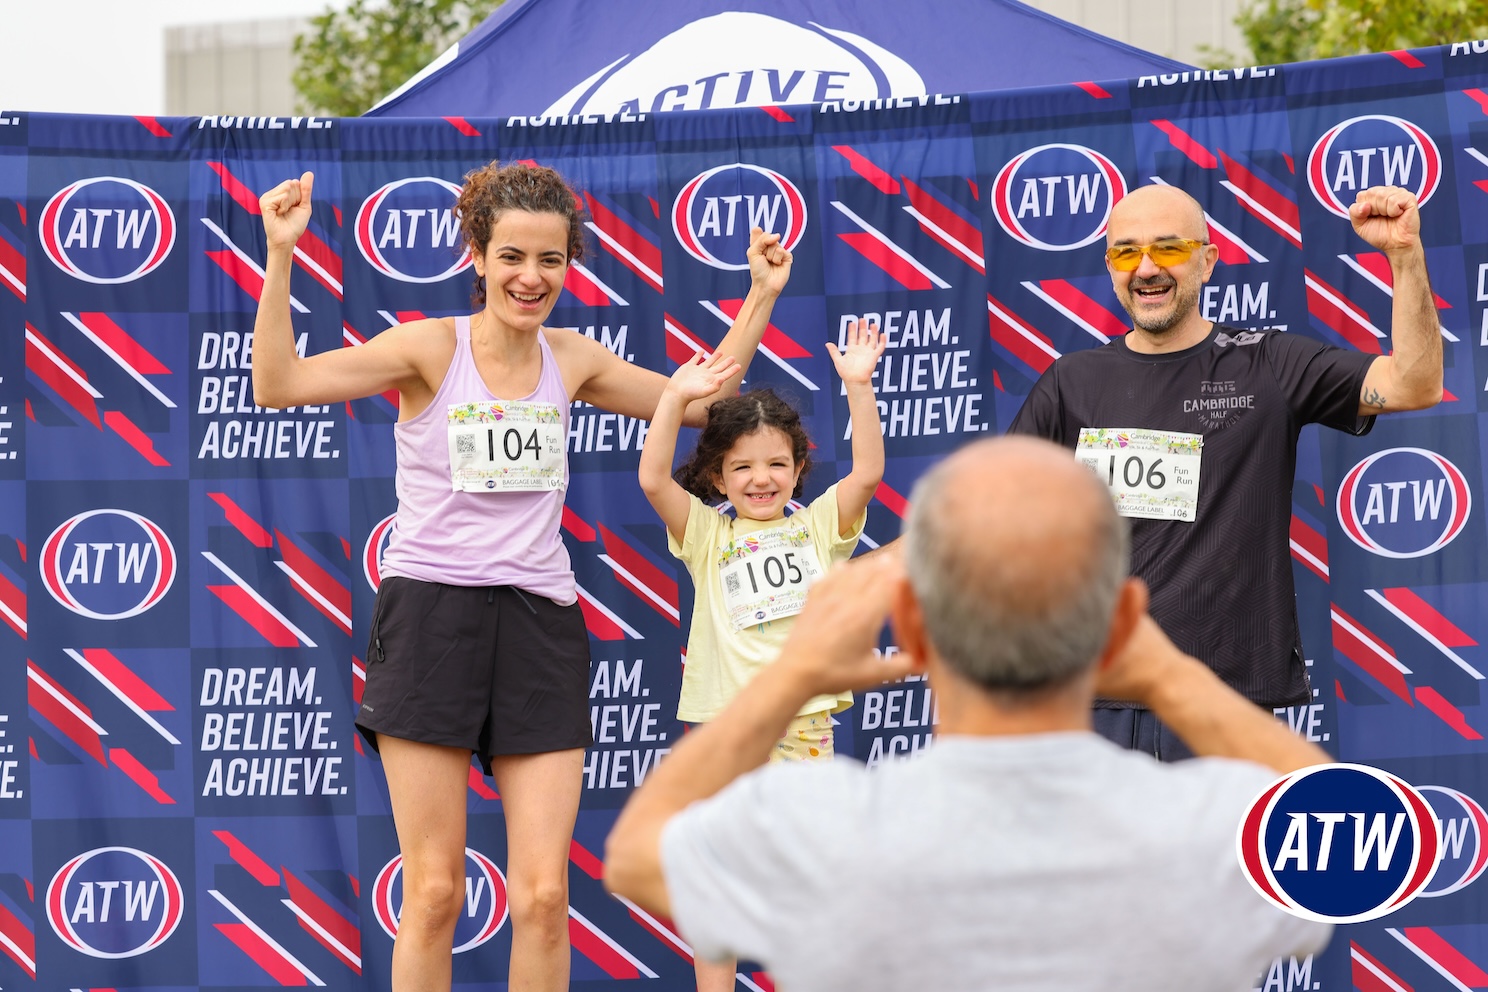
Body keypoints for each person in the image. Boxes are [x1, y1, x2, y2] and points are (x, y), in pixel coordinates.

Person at [251, 162, 792, 992]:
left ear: (569, 265)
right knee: (435, 893)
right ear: (477, 255)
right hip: (430, 618)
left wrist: (759, 296)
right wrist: (282, 251)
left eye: (549, 260)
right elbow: (279, 383)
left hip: (540, 625)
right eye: (511, 256)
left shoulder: (572, 358)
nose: (530, 277)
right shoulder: (428, 348)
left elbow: (701, 405)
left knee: (542, 897)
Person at [604, 436, 1333, 992]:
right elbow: (1359, 846)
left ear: (910, 630)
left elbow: (636, 857)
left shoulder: (825, 831)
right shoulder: (1210, 830)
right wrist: (1168, 673)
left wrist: (792, 673)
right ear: (1120, 626)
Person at [1008, 182, 1443, 759]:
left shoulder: (1268, 363)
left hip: (1227, 705)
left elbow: (1413, 385)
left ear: (1208, 261)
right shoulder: (1072, 381)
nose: (1146, 269)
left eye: (1168, 249)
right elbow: (988, 519)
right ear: (1110, 266)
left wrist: (1405, 257)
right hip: (1091, 703)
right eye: (1126, 253)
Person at [638, 320, 885, 991]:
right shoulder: (706, 536)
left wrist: (858, 386)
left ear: (799, 469)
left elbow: (868, 472)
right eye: (742, 467)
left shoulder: (820, 527)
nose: (760, 479)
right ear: (717, 477)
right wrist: (673, 397)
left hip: (802, 728)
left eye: (776, 464)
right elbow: (653, 479)